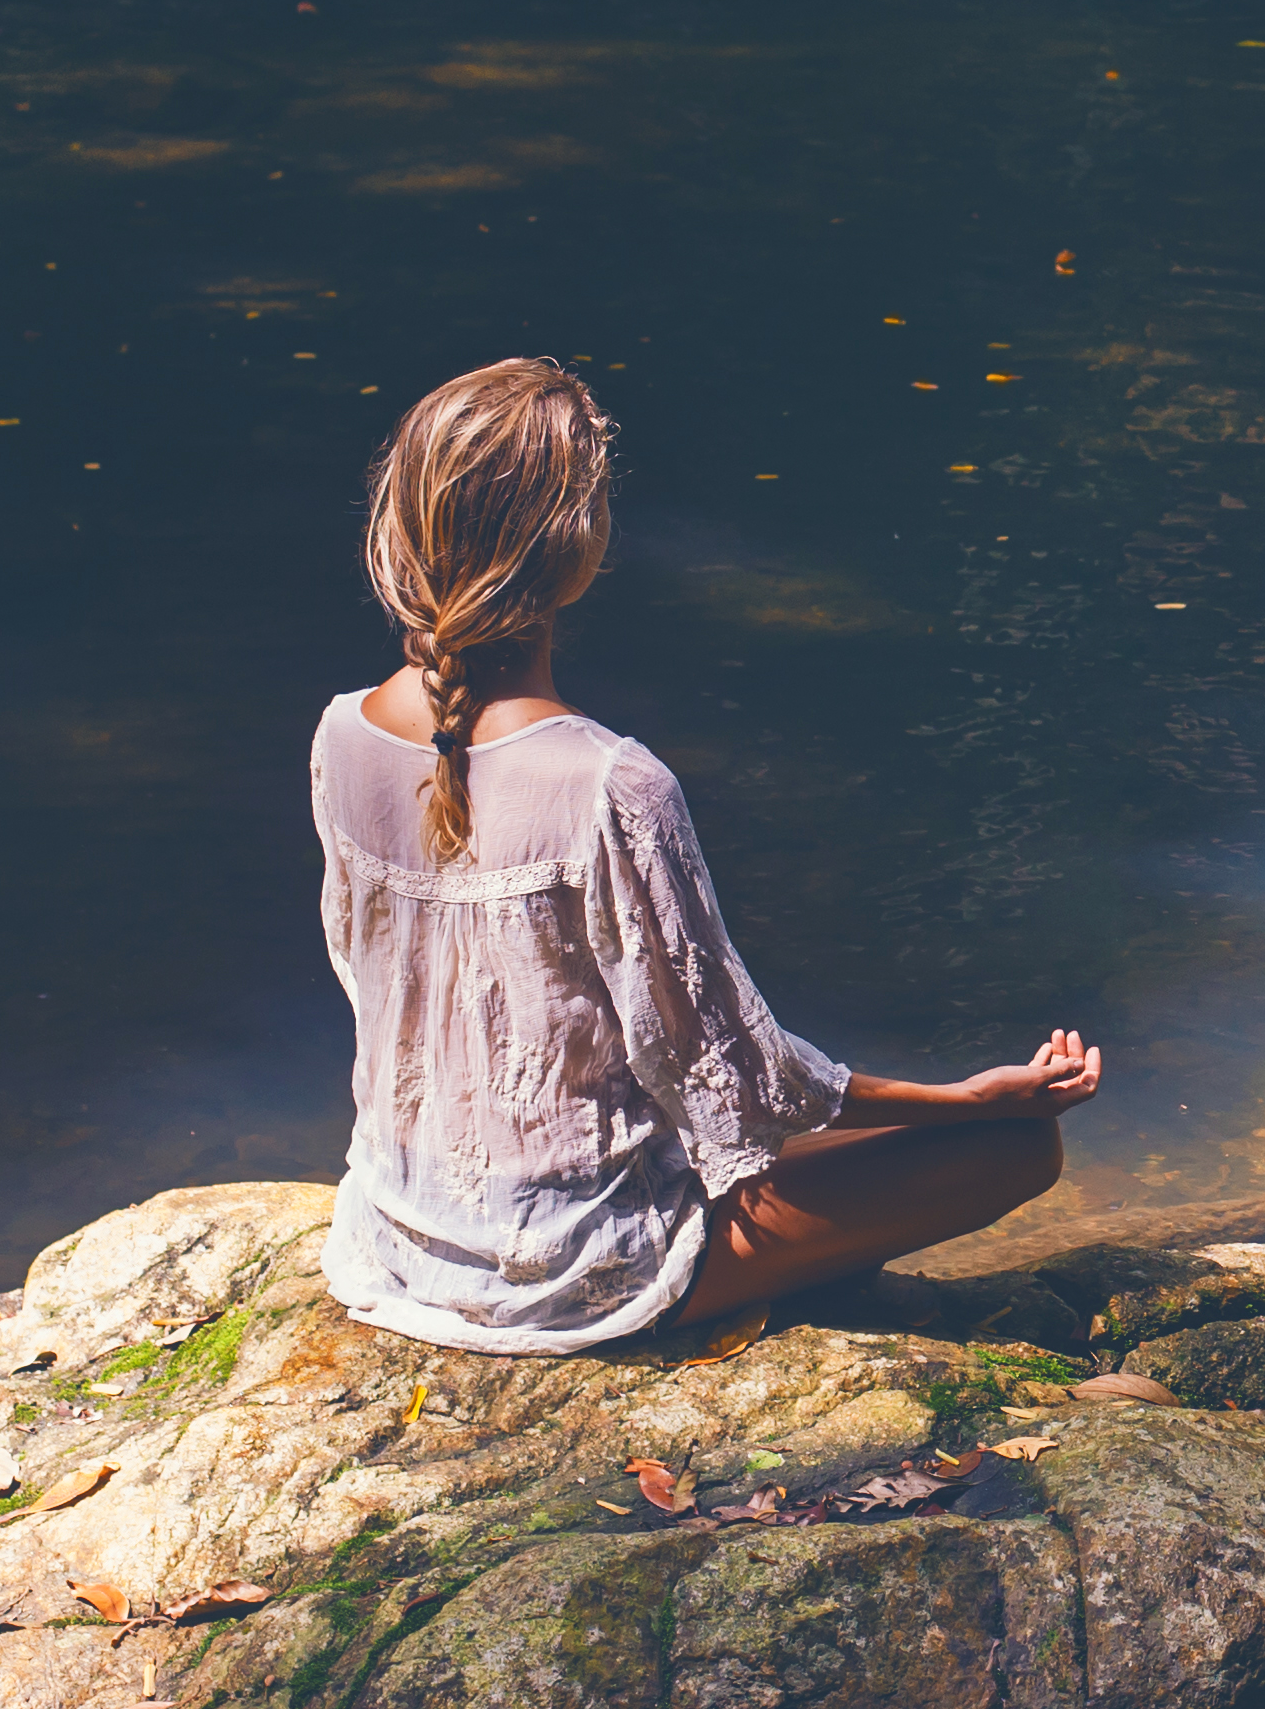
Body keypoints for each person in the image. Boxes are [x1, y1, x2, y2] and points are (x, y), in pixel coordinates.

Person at [314, 355, 1096, 1348]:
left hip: (399, 1234)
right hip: (571, 1271)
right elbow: (741, 1075)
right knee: (1016, 1151)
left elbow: (377, 983)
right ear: (578, 549)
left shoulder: (341, 736)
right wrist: (961, 1099)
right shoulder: (611, 784)